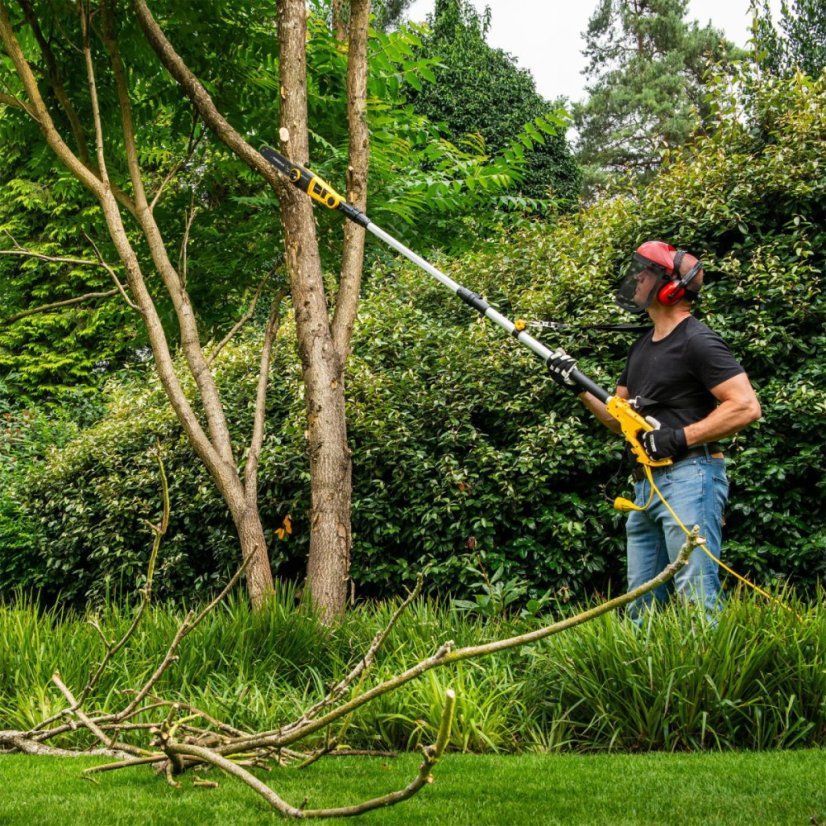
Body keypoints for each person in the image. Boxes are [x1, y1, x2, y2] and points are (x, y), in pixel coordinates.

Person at [547, 241, 761, 621]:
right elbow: (619, 419)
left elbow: (745, 406)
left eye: (645, 273)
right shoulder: (642, 347)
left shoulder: (697, 340)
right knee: (641, 604)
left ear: (670, 288)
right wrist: (577, 386)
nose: (636, 279)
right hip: (646, 487)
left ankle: (708, 661)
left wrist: (679, 437)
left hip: (691, 477)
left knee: (696, 596)